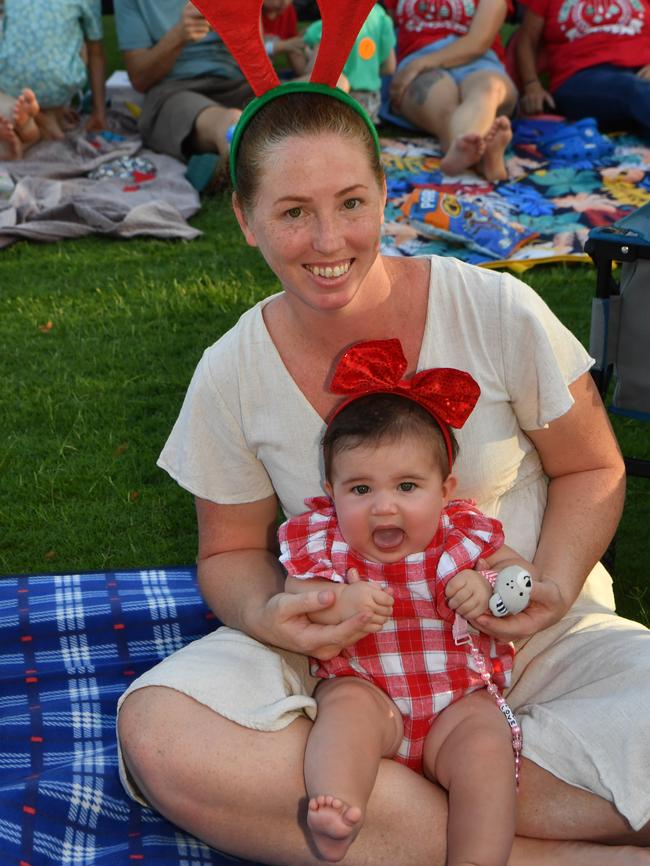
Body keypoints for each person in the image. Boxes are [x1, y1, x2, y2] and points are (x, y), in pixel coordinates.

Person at [116, 82, 650, 865]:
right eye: (293, 211)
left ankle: (401, 823)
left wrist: (551, 587)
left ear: (385, 194)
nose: (328, 241)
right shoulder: (230, 371)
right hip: (343, 668)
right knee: (161, 736)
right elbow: (229, 553)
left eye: (351, 203)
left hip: (537, 642)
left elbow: (593, 468)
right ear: (244, 218)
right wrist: (271, 615)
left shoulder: (495, 308)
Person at [279, 347, 534, 864]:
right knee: (343, 712)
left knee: (486, 751)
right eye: (361, 488)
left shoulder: (461, 535)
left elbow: (518, 576)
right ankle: (338, 805)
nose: (384, 505)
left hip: (458, 700)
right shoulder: (328, 542)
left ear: (446, 490)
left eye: (408, 486)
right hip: (369, 691)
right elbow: (294, 597)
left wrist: (491, 590)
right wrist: (338, 602)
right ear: (332, 494)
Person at [385, 0, 517, 181]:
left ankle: (469, 149)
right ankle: (485, 155)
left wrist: (420, 65)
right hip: (419, 61)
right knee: (442, 105)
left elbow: (479, 41)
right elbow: (384, 27)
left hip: (478, 60)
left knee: (489, 89)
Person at [113, 0, 253, 170]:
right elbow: (140, 79)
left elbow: (254, 55)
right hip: (173, 91)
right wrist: (179, 35)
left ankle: (219, 161)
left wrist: (240, 18)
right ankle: (235, 160)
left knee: (290, 99)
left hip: (234, 82)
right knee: (232, 123)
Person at [515, 0, 650, 136]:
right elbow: (526, 41)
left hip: (641, 74)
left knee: (637, 93)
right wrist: (531, 84)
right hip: (580, 79)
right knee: (632, 90)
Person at [0, 0, 107, 150]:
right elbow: (96, 54)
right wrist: (99, 113)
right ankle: (46, 117)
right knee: (81, 42)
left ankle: (37, 121)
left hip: (12, 86)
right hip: (61, 84)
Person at [303, 3, 396, 122]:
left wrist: (308, 54)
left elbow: (314, 70)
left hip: (339, 101)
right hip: (370, 104)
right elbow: (390, 67)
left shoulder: (331, 18)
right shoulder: (380, 17)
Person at [262, 0, 308, 77]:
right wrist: (280, 46)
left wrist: (307, 76)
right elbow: (249, 48)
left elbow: (293, 48)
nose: (284, 2)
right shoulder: (250, 12)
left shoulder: (287, 10)